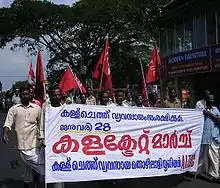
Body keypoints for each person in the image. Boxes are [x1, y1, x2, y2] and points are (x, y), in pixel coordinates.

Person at [2, 85, 44, 188]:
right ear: (20, 95)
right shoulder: (14, 109)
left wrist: (42, 138)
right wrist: (5, 133)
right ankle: (27, 184)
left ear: (30, 95)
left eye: (27, 94)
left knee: (36, 167)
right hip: (21, 144)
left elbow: (41, 125)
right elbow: (8, 123)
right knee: (27, 169)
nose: (25, 96)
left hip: (35, 143)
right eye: (23, 94)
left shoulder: (37, 108)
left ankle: (36, 186)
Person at [39, 85, 64, 188]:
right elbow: (41, 125)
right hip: (50, 145)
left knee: (63, 170)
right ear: (50, 96)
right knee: (52, 170)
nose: (57, 97)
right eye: (55, 95)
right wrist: (42, 139)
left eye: (59, 95)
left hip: (64, 144)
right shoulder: (46, 109)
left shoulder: (65, 109)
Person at [196, 94, 220, 182]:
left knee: (214, 157)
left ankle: (215, 175)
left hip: (214, 136)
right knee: (201, 156)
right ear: (206, 100)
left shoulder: (215, 109)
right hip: (204, 136)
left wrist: (209, 114)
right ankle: (197, 171)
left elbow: (218, 119)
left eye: (213, 99)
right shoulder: (201, 110)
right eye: (210, 99)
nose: (212, 101)